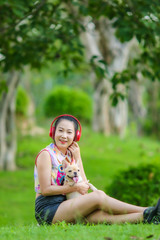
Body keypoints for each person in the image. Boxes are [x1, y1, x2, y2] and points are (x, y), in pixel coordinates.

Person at [34, 114, 160, 225]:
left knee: (100, 216)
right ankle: (147, 209)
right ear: (53, 132)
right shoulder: (46, 154)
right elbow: (45, 190)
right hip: (48, 208)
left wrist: (78, 157)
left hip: (67, 204)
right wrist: (74, 188)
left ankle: (149, 217)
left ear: (76, 136)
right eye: (60, 131)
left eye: (69, 132)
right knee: (98, 196)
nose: (64, 136)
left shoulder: (69, 155)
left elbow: (82, 185)